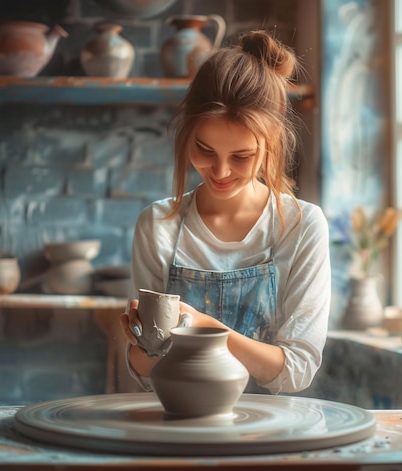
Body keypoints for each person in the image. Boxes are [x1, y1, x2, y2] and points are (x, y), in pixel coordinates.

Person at [119, 30, 330, 395]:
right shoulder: (158, 225)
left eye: (241, 157)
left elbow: (296, 371)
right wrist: (143, 344)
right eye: (204, 150)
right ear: (187, 134)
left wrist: (204, 329)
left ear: (272, 144)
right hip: (180, 427)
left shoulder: (301, 226)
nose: (220, 172)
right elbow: (143, 373)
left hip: (270, 435)